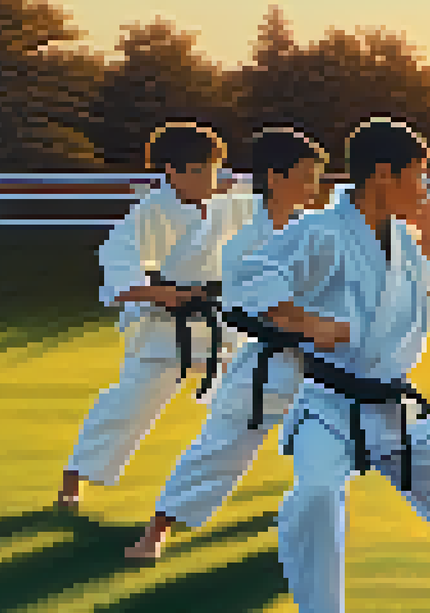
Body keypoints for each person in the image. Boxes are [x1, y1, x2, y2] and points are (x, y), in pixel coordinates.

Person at [238, 117, 430, 613]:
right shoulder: (320, 231)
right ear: (384, 175)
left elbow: (412, 291)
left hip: (392, 403)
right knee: (317, 494)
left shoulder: (398, 237)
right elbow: (252, 277)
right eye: (417, 176)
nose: (422, 189)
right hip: (329, 401)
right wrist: (306, 321)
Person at [125, 127, 331, 558]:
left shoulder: (319, 230)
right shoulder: (245, 241)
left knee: (329, 455)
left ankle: (312, 546)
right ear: (275, 177)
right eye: (307, 175)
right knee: (216, 450)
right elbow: (261, 307)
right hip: (266, 362)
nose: (315, 186)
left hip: (320, 364)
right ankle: (154, 533)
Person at [58, 121, 255, 510]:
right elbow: (120, 269)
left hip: (222, 323)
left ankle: (309, 476)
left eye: (213, 168)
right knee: (127, 408)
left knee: (266, 393)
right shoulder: (149, 213)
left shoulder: (234, 201)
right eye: (197, 171)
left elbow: (280, 213)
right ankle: (74, 479)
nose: (208, 178)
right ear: (171, 171)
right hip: (166, 328)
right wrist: (161, 293)